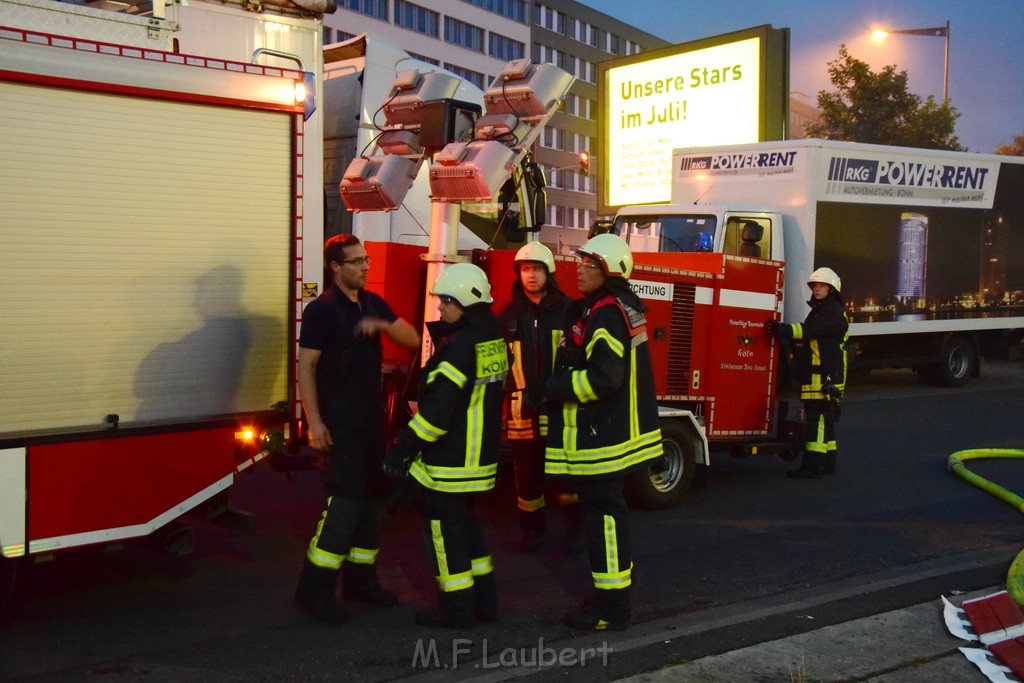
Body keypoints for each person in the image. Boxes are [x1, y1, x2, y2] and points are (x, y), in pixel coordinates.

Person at [293, 234, 420, 623]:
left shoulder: (371, 303)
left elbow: (413, 338)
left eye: (365, 259)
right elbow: (306, 368)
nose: (366, 266)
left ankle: (360, 582)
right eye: (356, 261)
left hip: (370, 422)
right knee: (345, 504)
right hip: (339, 425)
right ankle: (313, 592)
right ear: (336, 267)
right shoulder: (322, 311)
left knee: (373, 500)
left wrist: (380, 324)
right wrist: (314, 422)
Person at [544, 234, 663, 632]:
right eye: (580, 262)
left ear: (608, 272)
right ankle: (612, 600)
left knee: (604, 519)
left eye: (588, 264)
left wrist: (554, 387)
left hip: (601, 438)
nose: (579, 269)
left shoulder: (608, 313)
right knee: (607, 516)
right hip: (611, 433)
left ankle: (609, 610)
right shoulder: (615, 308)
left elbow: (603, 380)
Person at [382, 263, 508, 628]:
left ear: (466, 302)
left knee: (444, 535)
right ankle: (485, 603)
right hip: (479, 461)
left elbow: (436, 416)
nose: (440, 309)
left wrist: (401, 449)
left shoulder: (459, 349)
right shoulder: (491, 339)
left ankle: (455, 611)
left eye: (447, 302)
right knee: (469, 532)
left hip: (451, 465)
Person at [497, 241, 573, 552]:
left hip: (559, 410)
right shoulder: (508, 314)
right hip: (521, 411)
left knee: (565, 476)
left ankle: (575, 532)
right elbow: (498, 364)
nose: (531, 275)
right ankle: (533, 534)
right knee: (526, 479)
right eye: (526, 269)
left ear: (549, 273)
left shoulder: (569, 310)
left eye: (537, 269)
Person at [766, 267, 849, 479]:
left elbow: (809, 331)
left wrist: (781, 329)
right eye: (815, 285)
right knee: (826, 424)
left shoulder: (831, 313)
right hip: (823, 376)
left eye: (822, 285)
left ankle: (812, 468)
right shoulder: (824, 310)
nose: (817, 289)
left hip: (823, 378)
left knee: (817, 424)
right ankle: (827, 465)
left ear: (832, 289)